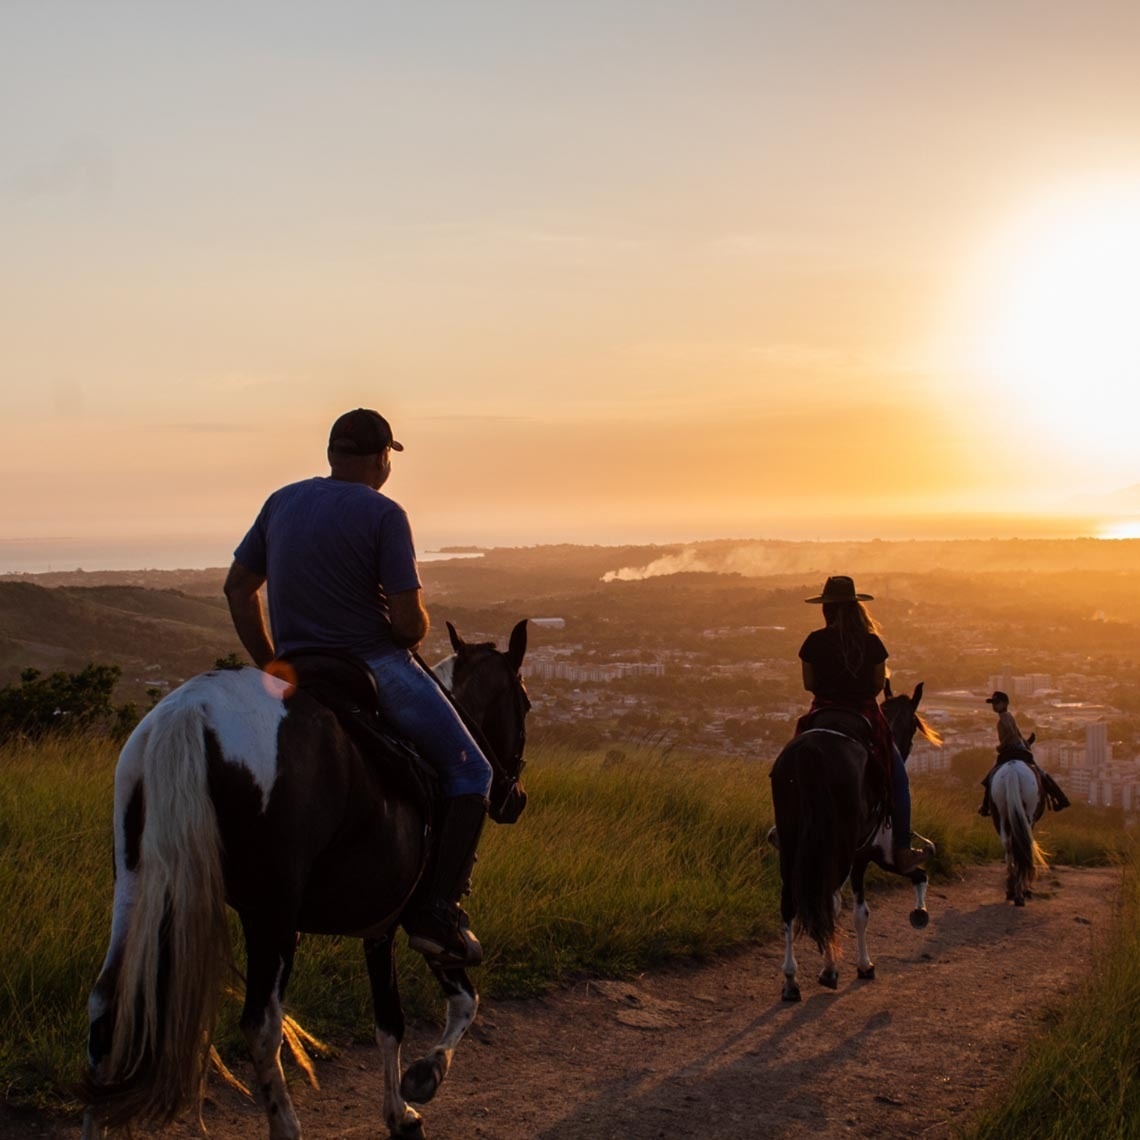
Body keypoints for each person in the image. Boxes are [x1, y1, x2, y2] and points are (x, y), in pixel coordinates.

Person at [223, 408, 493, 966]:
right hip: (374, 666)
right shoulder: (385, 513)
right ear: (381, 459)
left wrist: (273, 664)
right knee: (473, 771)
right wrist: (415, 619)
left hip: (301, 668)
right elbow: (405, 626)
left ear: (330, 454)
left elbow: (237, 588)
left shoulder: (281, 502)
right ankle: (435, 913)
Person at [797, 575, 929, 874]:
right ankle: (902, 849)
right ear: (856, 607)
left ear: (826, 609)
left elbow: (809, 684)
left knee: (793, 759)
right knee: (899, 781)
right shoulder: (872, 643)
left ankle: (784, 828)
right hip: (863, 714)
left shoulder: (814, 641)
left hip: (823, 712)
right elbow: (875, 686)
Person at [977, 691, 1071, 815]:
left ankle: (985, 807)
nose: (994, 706)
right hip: (1020, 750)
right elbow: (1017, 734)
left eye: (997, 703)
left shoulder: (1003, 718)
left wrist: (1000, 746)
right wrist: (1026, 743)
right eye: (993, 703)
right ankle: (1061, 799)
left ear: (1005, 703)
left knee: (990, 779)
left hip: (1008, 751)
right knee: (1042, 774)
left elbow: (1011, 733)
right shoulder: (1009, 715)